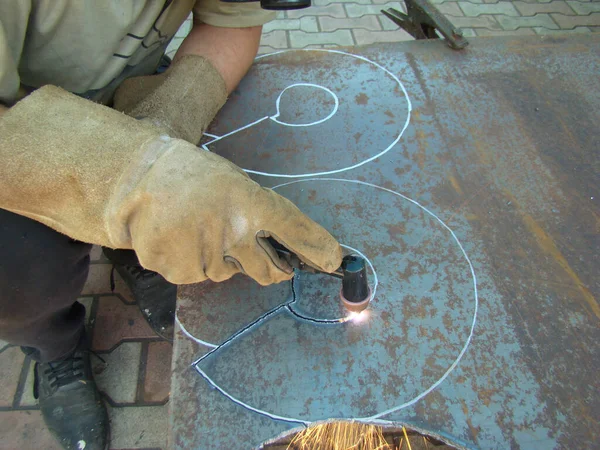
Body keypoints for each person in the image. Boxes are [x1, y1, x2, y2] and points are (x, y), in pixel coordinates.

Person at [0, 1, 342, 449]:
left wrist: (169, 120)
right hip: (17, 125)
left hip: (131, 88)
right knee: (16, 270)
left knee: (206, 158)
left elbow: (229, 24)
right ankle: (54, 347)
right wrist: (134, 174)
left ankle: (132, 245)